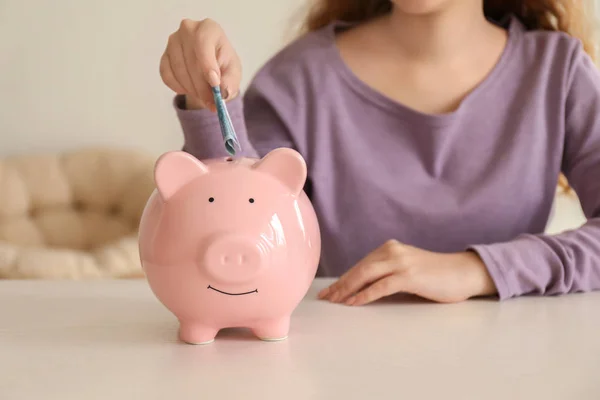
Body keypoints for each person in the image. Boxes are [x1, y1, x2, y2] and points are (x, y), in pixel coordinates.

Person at [158, 0, 600, 305]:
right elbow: (238, 242)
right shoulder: (299, 79)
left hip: (515, 366)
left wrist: (479, 270)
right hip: (336, 366)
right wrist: (207, 100)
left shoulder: (558, 72)